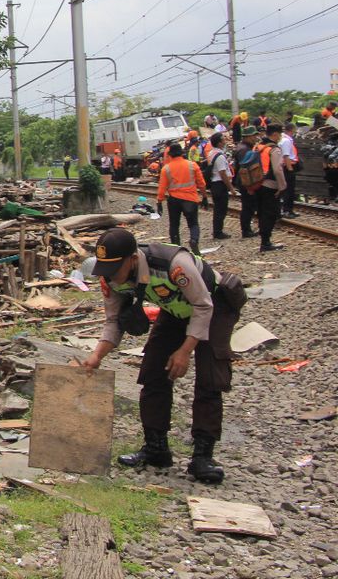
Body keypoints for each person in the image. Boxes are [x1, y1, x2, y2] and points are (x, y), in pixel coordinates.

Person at [81, 228, 241, 484]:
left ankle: (203, 456)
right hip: (175, 310)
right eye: (105, 269)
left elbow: (203, 306)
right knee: (153, 371)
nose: (111, 277)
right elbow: (113, 321)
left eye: (115, 269)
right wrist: (97, 356)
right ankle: (156, 449)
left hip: (213, 305)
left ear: (132, 259)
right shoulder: (111, 278)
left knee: (210, 377)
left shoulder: (174, 265)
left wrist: (184, 351)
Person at [156, 143, 206, 253]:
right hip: (190, 199)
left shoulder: (166, 169)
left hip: (174, 200)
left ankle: (175, 247)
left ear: (170, 155)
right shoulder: (192, 165)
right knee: (193, 224)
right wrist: (204, 196)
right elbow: (201, 183)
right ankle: (194, 240)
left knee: (174, 224)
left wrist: (159, 202)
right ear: (182, 153)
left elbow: (162, 188)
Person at [254, 124, 288, 252]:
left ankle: (264, 240)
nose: (280, 137)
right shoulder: (274, 149)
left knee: (261, 213)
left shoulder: (258, 146)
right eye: (279, 134)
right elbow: (278, 170)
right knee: (270, 213)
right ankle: (266, 242)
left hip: (257, 184)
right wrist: (282, 186)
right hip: (270, 185)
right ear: (275, 134)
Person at [205, 133, 237, 240]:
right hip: (219, 184)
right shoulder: (220, 156)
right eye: (223, 140)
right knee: (221, 209)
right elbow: (222, 173)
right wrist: (231, 188)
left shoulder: (211, 153)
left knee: (218, 209)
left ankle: (217, 231)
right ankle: (218, 232)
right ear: (219, 142)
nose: (225, 141)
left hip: (214, 184)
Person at [232, 126, 261, 239]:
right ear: (247, 137)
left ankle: (247, 229)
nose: (256, 138)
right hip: (245, 181)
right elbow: (245, 169)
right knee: (248, 206)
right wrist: (250, 186)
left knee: (248, 206)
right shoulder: (244, 149)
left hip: (243, 181)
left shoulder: (243, 147)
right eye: (254, 135)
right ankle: (246, 230)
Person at [279, 122, 300, 218]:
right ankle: (287, 210)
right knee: (288, 190)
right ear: (291, 130)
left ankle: (289, 210)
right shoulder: (286, 141)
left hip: (288, 166)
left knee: (289, 190)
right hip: (288, 167)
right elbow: (286, 156)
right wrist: (290, 169)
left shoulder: (285, 140)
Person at [322, 129, 338, 203]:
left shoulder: (326, 147)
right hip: (334, 169)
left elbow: (324, 159)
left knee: (332, 183)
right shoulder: (335, 148)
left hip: (328, 170)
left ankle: (333, 197)